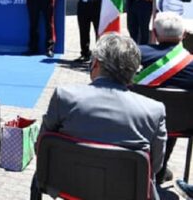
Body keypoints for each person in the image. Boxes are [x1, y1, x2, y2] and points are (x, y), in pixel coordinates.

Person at [38, 33, 166, 199]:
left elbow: (41, 148)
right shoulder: (154, 111)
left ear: (96, 63)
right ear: (134, 70)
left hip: (69, 186)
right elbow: (154, 166)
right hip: (125, 192)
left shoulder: (64, 97)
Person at [136, 11, 192, 184]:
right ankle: (159, 169)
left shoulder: (136, 54)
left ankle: (146, 168)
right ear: (183, 35)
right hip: (184, 125)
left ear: (155, 33)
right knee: (171, 116)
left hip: (139, 122)